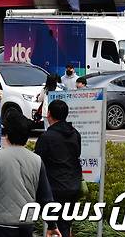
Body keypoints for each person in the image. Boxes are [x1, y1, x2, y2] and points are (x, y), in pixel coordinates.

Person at [0, 112, 61, 237]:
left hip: (0, 226)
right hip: (26, 226)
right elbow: (46, 196)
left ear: (7, 135)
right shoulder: (37, 160)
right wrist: (52, 225)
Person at [35, 100, 82, 237]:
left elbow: (37, 162)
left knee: (53, 227)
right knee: (65, 224)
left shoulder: (46, 137)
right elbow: (77, 155)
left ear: (49, 113)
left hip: (54, 187)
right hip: (73, 185)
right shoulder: (75, 134)